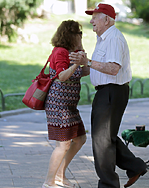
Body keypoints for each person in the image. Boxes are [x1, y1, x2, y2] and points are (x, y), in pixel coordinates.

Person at [69, 3, 148, 188]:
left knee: (102, 140)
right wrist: (78, 66)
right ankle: (135, 166)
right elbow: (99, 67)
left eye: (95, 17)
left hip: (112, 90)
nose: (91, 21)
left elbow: (113, 69)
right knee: (104, 136)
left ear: (107, 19)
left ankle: (108, 184)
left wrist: (87, 61)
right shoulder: (104, 38)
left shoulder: (113, 38)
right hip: (107, 91)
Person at [42, 20, 89, 188]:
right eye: (79, 34)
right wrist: (77, 62)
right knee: (63, 144)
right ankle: (49, 181)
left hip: (70, 106)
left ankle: (60, 175)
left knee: (80, 138)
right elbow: (62, 76)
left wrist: (82, 54)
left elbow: (85, 70)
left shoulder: (73, 51)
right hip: (58, 104)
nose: (81, 36)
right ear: (70, 35)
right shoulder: (61, 52)